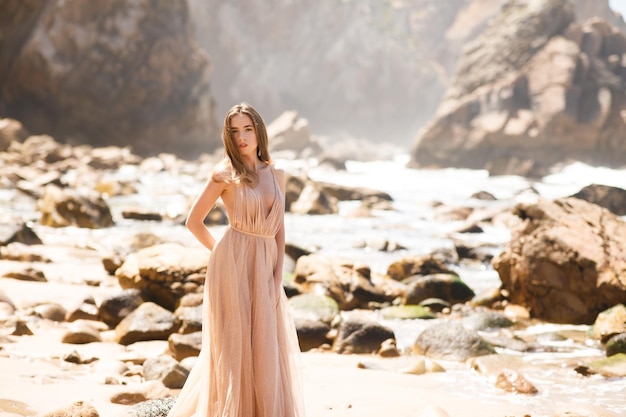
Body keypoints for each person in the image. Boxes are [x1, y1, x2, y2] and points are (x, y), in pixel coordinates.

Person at [167, 103, 305, 417]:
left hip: (266, 265)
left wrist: (276, 278)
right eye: (234, 131)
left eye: (247, 129)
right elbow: (194, 222)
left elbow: (279, 229)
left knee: (267, 346)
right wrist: (223, 256)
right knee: (233, 351)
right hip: (231, 265)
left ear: (259, 130)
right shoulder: (225, 174)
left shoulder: (277, 173)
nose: (242, 137)